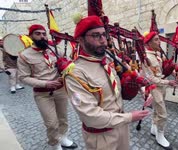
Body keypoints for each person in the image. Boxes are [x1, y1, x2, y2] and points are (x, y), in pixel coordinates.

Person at [64, 15, 150, 150]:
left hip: (121, 128)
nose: (103, 41)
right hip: (101, 136)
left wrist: (144, 90)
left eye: (104, 35)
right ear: (81, 40)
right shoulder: (75, 73)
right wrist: (129, 117)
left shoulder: (109, 60)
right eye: (96, 36)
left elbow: (129, 77)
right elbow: (90, 116)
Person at [17, 24, 77, 150]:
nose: (42, 36)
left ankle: (64, 138)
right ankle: (55, 144)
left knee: (63, 118)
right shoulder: (24, 55)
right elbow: (23, 78)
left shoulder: (55, 49)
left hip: (60, 90)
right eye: (37, 34)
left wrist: (66, 71)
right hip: (42, 94)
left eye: (44, 34)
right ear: (31, 36)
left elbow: (67, 64)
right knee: (51, 123)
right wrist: (45, 83)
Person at [141, 31, 178, 149]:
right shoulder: (146, 57)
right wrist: (168, 82)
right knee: (163, 114)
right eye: (156, 39)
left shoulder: (156, 54)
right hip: (154, 88)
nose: (159, 41)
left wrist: (171, 70)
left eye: (159, 39)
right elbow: (151, 78)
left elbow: (160, 70)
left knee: (157, 110)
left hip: (161, 87)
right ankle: (160, 136)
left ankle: (154, 127)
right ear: (149, 42)